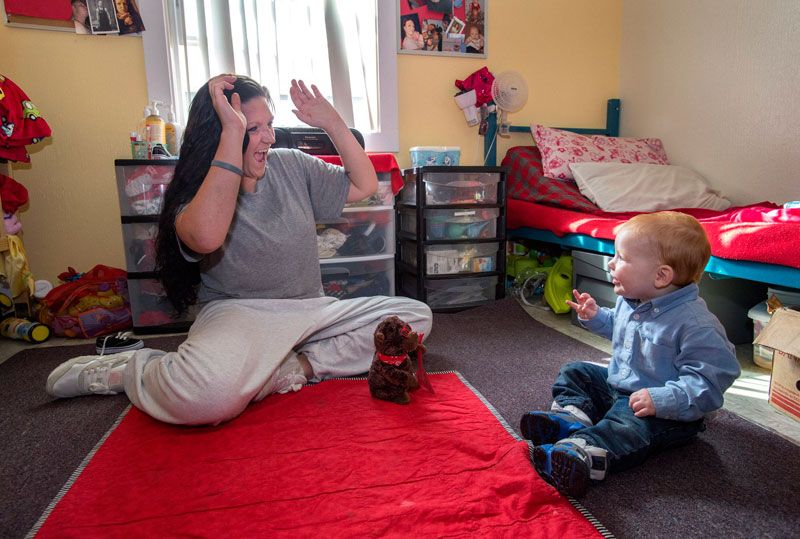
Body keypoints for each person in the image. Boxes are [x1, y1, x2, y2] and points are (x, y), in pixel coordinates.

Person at [45, 74, 433, 426]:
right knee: (205, 399)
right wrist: (232, 133)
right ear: (223, 135)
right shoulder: (196, 194)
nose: (269, 137)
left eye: (269, 125)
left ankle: (295, 367)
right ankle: (134, 368)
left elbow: (364, 185)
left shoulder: (291, 165)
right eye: (253, 128)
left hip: (309, 311)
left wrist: (332, 122)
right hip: (238, 315)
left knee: (412, 319)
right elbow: (209, 237)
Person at [520, 211, 740, 497]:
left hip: (662, 411)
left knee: (625, 425)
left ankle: (586, 452)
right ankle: (573, 418)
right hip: (620, 386)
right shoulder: (633, 300)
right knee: (576, 371)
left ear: (661, 276)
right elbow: (622, 331)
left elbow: (713, 380)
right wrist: (597, 317)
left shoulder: (696, 324)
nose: (611, 264)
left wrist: (662, 399)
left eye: (621, 258)